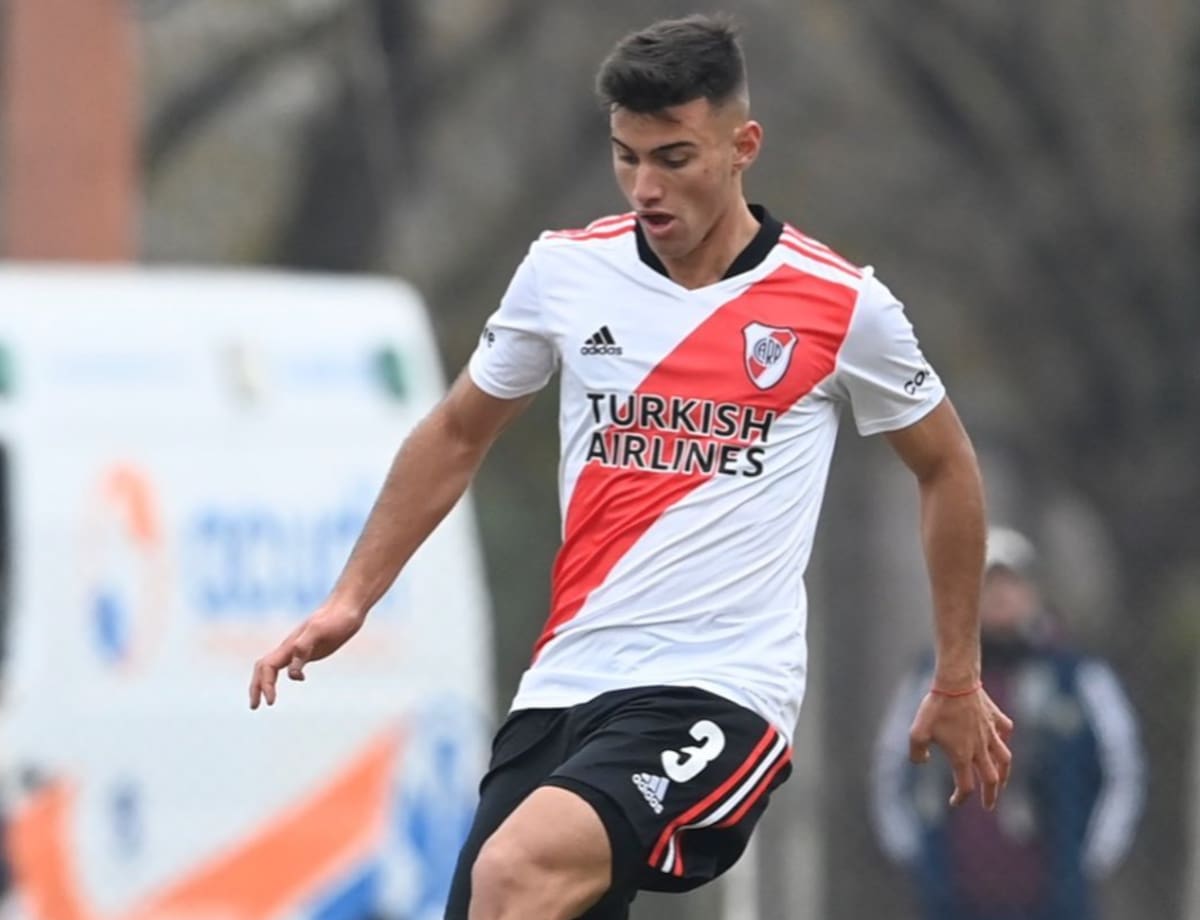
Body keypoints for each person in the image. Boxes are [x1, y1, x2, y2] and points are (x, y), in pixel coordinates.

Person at [250, 14, 1014, 920]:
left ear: (742, 148)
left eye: (674, 158)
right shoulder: (566, 275)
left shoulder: (840, 305)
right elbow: (459, 431)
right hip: (566, 688)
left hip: (718, 693)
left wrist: (958, 676)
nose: (645, 187)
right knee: (495, 895)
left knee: (514, 874)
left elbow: (946, 468)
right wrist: (352, 596)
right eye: (627, 158)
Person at [871, 526, 1145, 920]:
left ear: (1033, 592)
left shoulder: (1080, 676)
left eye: (1011, 582)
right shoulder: (930, 678)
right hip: (953, 900)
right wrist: (914, 855)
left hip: (1055, 901)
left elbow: (1123, 767)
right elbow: (892, 762)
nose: (1000, 595)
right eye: (986, 584)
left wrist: (1093, 858)